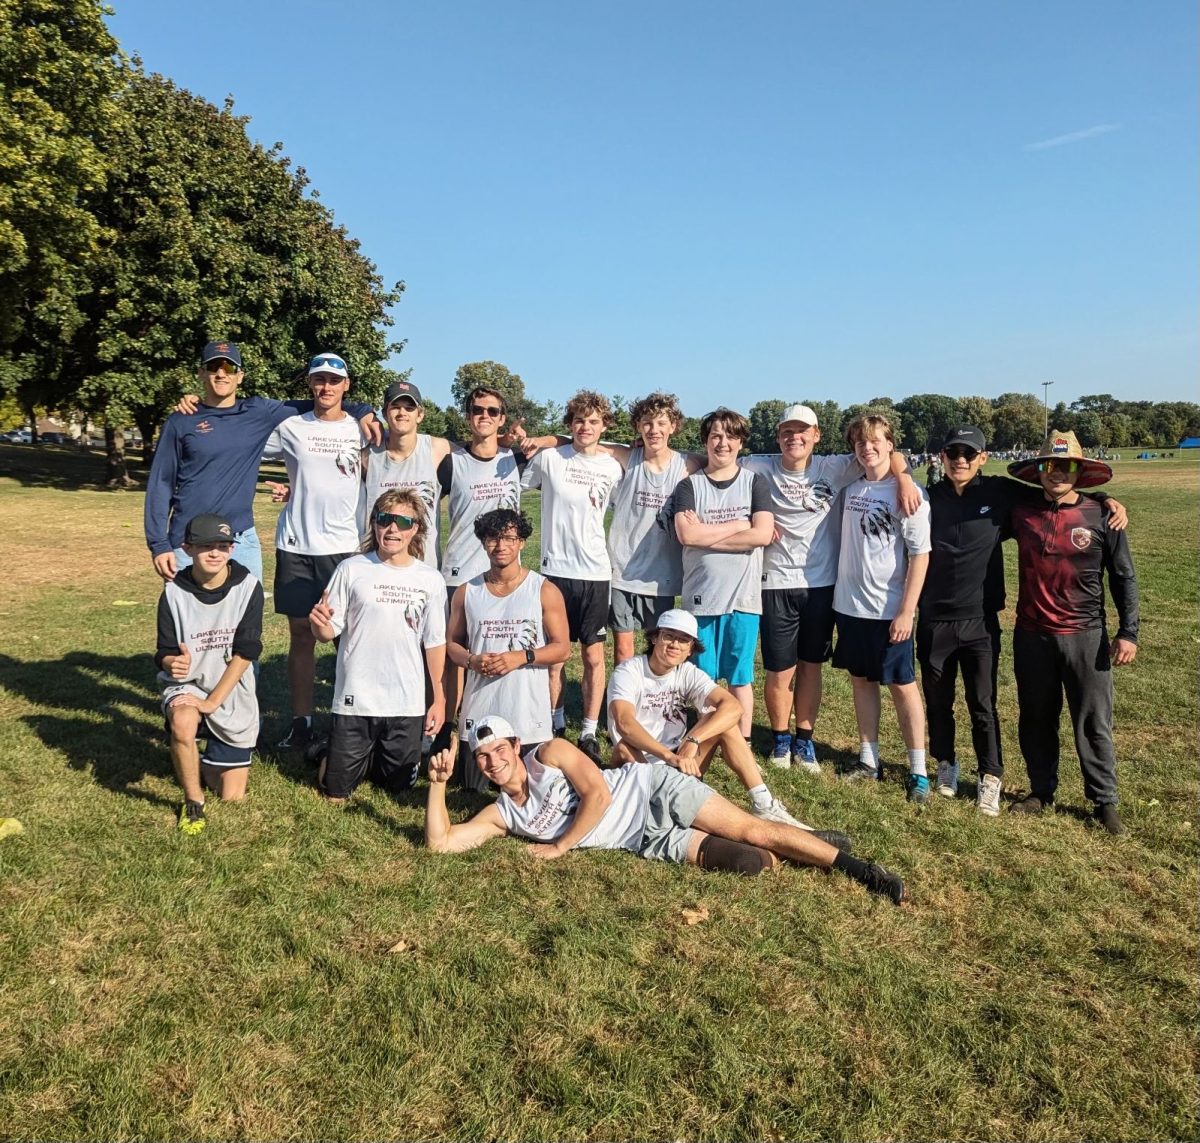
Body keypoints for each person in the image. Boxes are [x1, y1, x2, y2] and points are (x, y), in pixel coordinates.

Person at [423, 716, 907, 905]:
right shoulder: (503, 814)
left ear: (514, 744)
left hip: (650, 789)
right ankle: (809, 845)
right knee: (750, 862)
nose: (493, 761)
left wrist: (560, 846)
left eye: (499, 748)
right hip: (642, 838)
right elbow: (442, 844)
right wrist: (439, 787)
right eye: (482, 757)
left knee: (755, 832)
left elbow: (600, 796)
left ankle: (862, 871)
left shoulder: (549, 753)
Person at [918, 426, 1128, 815]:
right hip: (972, 624)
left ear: (982, 457)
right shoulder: (933, 499)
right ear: (942, 456)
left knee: (998, 706)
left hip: (1024, 625)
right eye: (953, 452)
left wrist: (1104, 499)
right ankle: (982, 775)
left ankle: (1091, 798)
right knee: (966, 705)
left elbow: (1061, 499)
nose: (960, 459)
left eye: (969, 452)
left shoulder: (1004, 493)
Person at [744, 404, 920, 773]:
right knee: (779, 670)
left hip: (822, 586)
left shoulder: (834, 466)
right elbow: (716, 461)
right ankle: (780, 739)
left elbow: (885, 448)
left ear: (816, 436)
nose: (795, 437)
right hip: (774, 582)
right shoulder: (760, 466)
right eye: (788, 432)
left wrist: (904, 478)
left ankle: (804, 741)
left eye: (802, 431)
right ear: (778, 438)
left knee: (811, 667)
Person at [146, 340, 379, 583]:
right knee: (189, 619)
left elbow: (325, 401)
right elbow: (160, 484)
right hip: (189, 541)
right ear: (201, 373)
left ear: (241, 376)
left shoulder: (258, 411)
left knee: (247, 618)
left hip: (240, 539)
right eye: (214, 366)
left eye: (229, 367)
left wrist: (363, 411)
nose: (221, 373)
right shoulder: (181, 420)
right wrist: (159, 544)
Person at [1005, 430, 1139, 834]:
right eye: (1050, 465)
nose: (1057, 472)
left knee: (1093, 720)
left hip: (1087, 636)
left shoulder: (1103, 516)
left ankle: (1103, 801)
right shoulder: (1021, 512)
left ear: (1080, 471)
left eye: (1066, 466)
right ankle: (1040, 791)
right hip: (1032, 635)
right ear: (1039, 470)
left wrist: (1128, 631)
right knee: (1036, 717)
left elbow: (1123, 577)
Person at [607, 609, 807, 828]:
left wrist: (693, 741)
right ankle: (652, 802)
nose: (675, 644)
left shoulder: (687, 672)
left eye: (684, 640)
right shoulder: (629, 671)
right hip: (641, 759)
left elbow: (733, 707)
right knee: (624, 747)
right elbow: (625, 724)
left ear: (690, 649)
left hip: (681, 760)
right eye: (669, 636)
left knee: (722, 722)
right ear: (655, 638)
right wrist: (668, 757)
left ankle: (763, 804)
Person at [308, 488, 447, 803]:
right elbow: (328, 631)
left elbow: (435, 643)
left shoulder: (431, 580)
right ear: (374, 524)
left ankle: (367, 757)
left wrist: (437, 698)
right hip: (357, 700)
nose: (392, 528)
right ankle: (331, 756)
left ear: (415, 529)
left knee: (397, 790)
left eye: (402, 521)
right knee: (336, 794)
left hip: (405, 703)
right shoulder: (352, 569)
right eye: (384, 519)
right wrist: (318, 625)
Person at [263, 352, 367, 750]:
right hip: (295, 545)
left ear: (346, 386)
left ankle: (348, 717)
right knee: (301, 634)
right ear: (310, 384)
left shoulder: (362, 428)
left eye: (334, 380)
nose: (326, 387)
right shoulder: (290, 427)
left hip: (342, 549)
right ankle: (302, 721)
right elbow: (248, 447)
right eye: (319, 380)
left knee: (347, 637)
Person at [519, 390, 624, 761]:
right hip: (555, 571)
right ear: (570, 424)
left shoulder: (614, 467)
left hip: (596, 573)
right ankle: (555, 722)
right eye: (579, 420)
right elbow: (520, 483)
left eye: (594, 421)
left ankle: (590, 731)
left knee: (594, 657)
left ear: (603, 426)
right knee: (555, 657)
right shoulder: (550, 458)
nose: (586, 427)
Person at [833, 413, 933, 802]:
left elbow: (920, 555)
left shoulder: (908, 494)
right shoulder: (850, 488)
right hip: (850, 607)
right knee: (862, 681)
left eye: (876, 441)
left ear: (891, 446)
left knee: (903, 686)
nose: (868, 448)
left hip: (890, 610)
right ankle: (868, 760)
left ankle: (918, 771)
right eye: (860, 442)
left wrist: (907, 610)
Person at [446, 509, 570, 791]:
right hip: (480, 708)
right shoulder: (467, 591)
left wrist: (522, 657)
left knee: (528, 789)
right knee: (470, 791)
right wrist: (471, 660)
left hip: (527, 714)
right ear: (482, 542)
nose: (500, 546)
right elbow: (451, 645)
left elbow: (562, 649)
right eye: (492, 539)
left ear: (522, 542)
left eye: (509, 538)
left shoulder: (543, 589)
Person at [156, 513, 264, 834]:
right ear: (187, 549)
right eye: (206, 547)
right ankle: (193, 800)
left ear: (232, 549)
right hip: (189, 686)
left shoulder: (248, 587)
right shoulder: (173, 592)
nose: (215, 553)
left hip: (231, 689)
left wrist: (213, 702)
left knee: (233, 795)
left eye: (223, 546)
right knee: (183, 721)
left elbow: (247, 652)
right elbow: (163, 650)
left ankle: (196, 756)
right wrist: (169, 663)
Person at [674, 408, 773, 743]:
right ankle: (705, 739)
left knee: (740, 678)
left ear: (741, 442)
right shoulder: (689, 485)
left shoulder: (754, 483)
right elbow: (688, 537)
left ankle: (741, 741)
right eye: (715, 435)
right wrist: (738, 525)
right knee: (703, 678)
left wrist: (708, 533)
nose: (722, 442)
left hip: (743, 600)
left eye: (730, 436)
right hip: (701, 598)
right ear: (705, 441)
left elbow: (762, 535)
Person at [360, 379, 452, 569]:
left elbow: (478, 451)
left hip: (424, 566)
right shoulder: (368, 456)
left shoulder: (437, 448)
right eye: (396, 407)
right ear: (385, 413)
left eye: (409, 408)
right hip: (377, 565)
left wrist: (507, 440)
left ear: (420, 415)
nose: (402, 413)